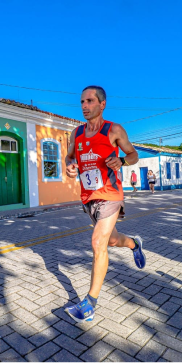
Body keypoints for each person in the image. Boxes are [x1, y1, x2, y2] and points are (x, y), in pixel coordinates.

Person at [65, 85, 146, 323]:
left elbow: (134, 155)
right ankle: (134, 244)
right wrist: (70, 167)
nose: (84, 106)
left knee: (98, 242)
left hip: (111, 194)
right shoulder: (76, 134)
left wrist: (121, 160)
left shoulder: (114, 130)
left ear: (102, 104)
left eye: (89, 101)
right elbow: (70, 157)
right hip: (89, 198)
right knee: (111, 240)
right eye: (82, 102)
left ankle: (89, 303)